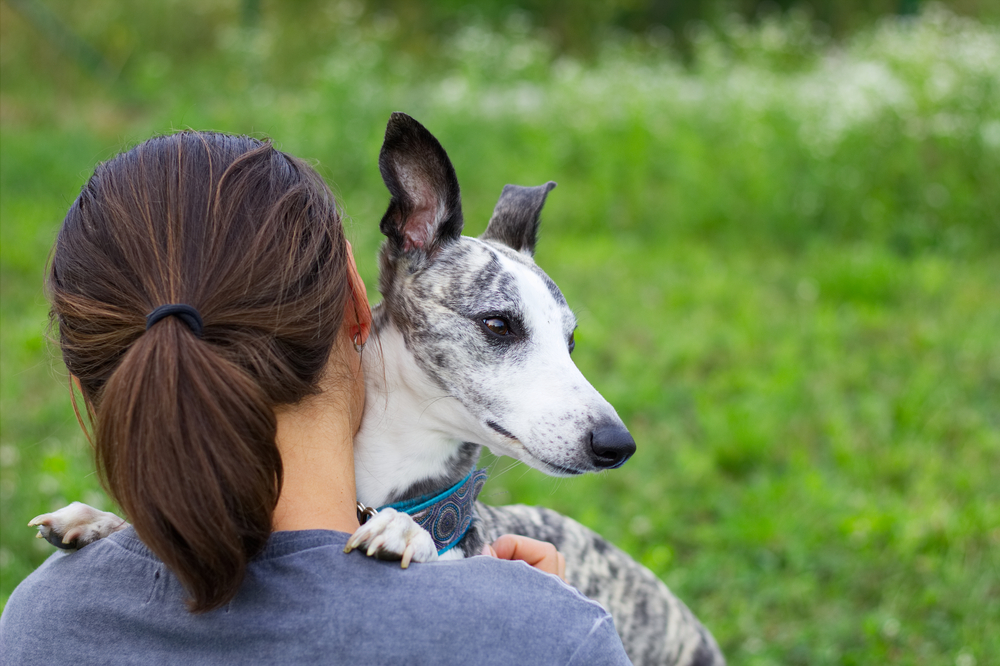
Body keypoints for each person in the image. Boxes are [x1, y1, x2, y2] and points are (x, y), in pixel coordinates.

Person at [0, 132, 630, 665]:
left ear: (89, 389)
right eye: (499, 328)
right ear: (362, 301)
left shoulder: (34, 623)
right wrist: (536, 630)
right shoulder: (550, 632)